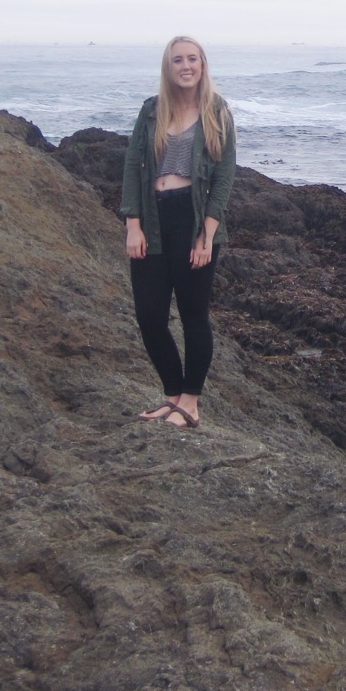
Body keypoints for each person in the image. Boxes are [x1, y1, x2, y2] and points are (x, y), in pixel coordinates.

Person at [120, 35, 237, 429]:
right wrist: (132, 224)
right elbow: (133, 166)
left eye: (192, 59)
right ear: (168, 68)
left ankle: (191, 403)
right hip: (153, 219)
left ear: (203, 65)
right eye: (177, 61)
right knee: (149, 315)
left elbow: (223, 177)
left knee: (193, 316)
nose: (185, 66)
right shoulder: (152, 111)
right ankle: (172, 396)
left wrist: (207, 235)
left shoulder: (217, 112)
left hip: (193, 221)